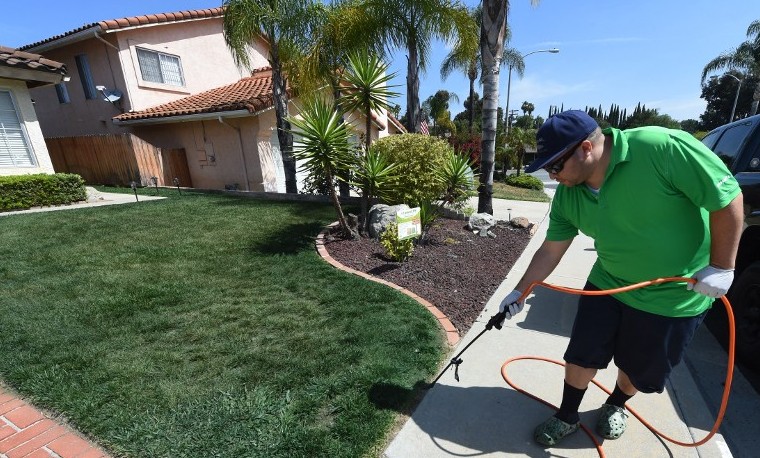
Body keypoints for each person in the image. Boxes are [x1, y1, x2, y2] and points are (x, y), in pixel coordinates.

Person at [498, 110, 744, 447]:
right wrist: (519, 291)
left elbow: (728, 197)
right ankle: (567, 414)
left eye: (555, 165)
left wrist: (722, 266)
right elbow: (551, 250)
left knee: (638, 370)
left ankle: (616, 403)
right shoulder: (569, 194)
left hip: (673, 297)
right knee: (581, 355)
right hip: (608, 284)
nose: (552, 175)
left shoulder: (662, 148)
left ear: (586, 148)